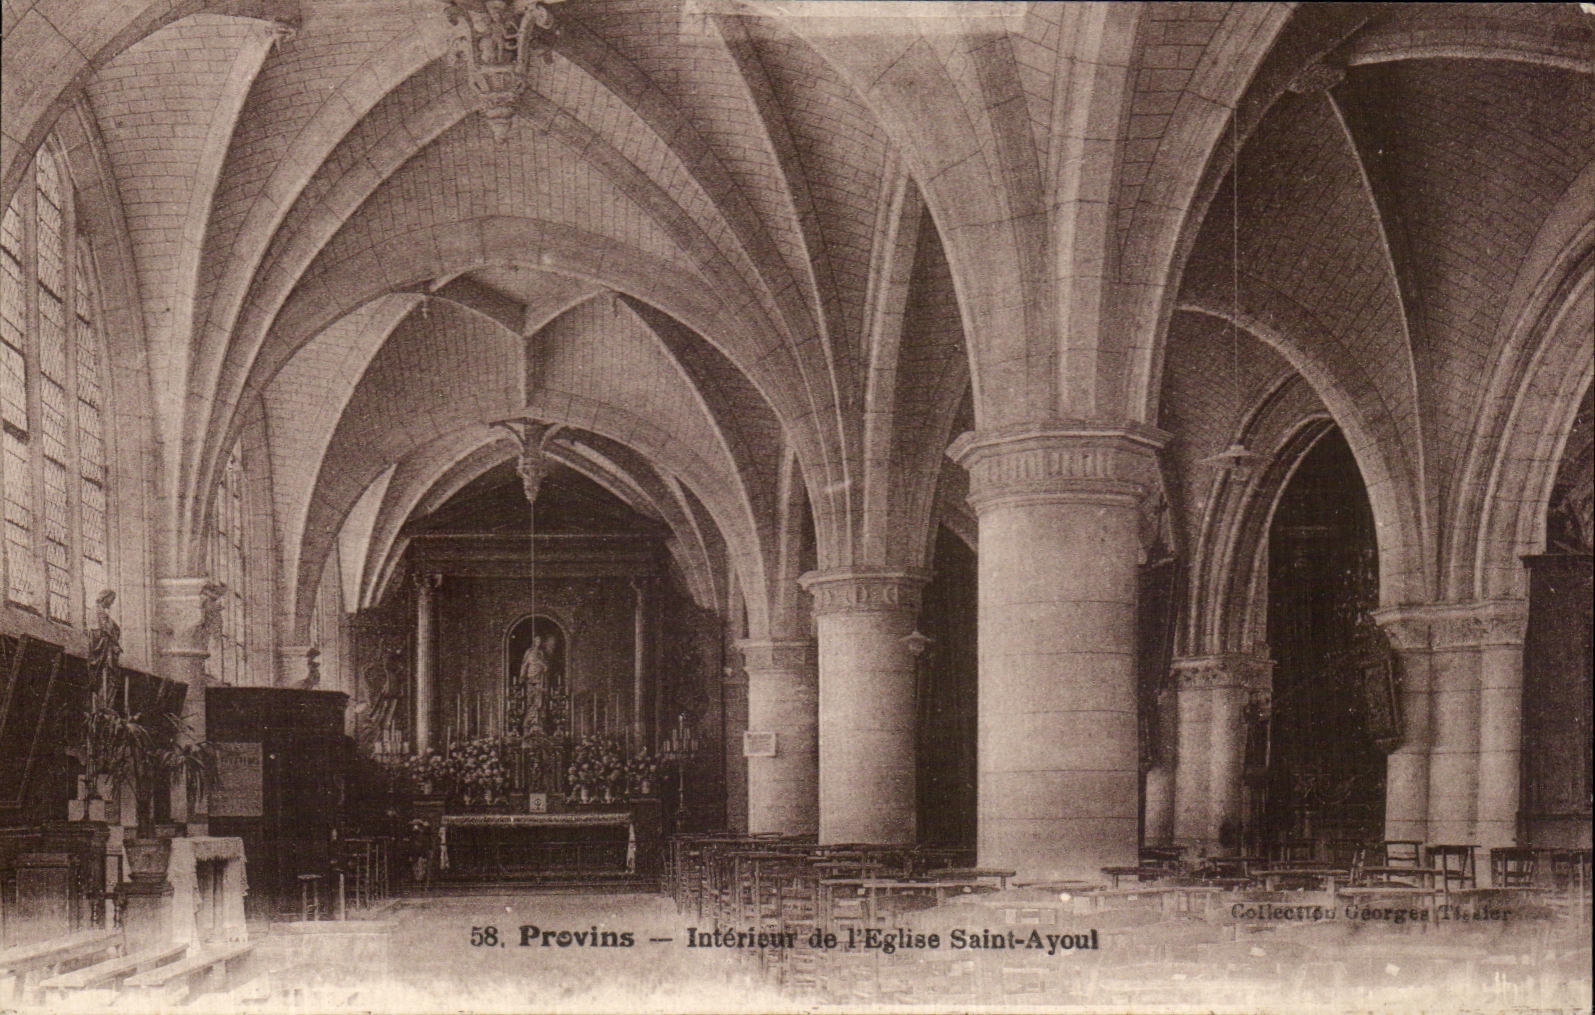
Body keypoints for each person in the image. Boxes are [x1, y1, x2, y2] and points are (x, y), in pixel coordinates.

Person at [517, 634, 552, 733]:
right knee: (531, 699)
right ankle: (530, 722)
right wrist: (522, 676)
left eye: (539, 641)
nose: (538, 643)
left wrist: (544, 666)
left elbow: (545, 665)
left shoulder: (541, 653)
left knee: (540, 699)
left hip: (540, 678)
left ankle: (538, 722)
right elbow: (524, 664)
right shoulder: (529, 652)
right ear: (533, 641)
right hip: (531, 677)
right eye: (536, 641)